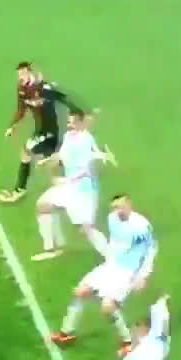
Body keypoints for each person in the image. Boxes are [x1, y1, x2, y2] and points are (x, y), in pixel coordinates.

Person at [50, 194, 155, 351]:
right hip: (110, 266)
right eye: (115, 207)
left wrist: (143, 276)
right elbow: (110, 244)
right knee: (80, 292)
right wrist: (91, 233)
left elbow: (151, 251)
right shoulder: (112, 219)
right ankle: (66, 333)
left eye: (121, 206)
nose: (118, 210)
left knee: (107, 307)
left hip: (127, 272)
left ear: (129, 205)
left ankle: (128, 342)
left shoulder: (141, 226)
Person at [31, 111, 115, 260]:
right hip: (70, 187)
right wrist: (46, 160)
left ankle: (112, 256)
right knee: (43, 205)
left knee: (86, 229)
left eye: (73, 123)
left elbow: (86, 170)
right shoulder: (68, 136)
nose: (69, 125)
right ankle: (51, 248)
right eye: (68, 122)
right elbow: (62, 155)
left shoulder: (85, 141)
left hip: (83, 191)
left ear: (81, 124)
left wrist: (66, 180)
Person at [0, 61, 82, 204]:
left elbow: (63, 98)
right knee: (52, 159)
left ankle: (20, 190)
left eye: (23, 73)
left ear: (30, 72)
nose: (21, 77)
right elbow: (21, 110)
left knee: (28, 153)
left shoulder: (43, 88)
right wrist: (12, 126)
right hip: (40, 131)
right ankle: (76, 172)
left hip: (49, 132)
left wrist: (78, 112)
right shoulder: (22, 89)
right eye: (19, 74)